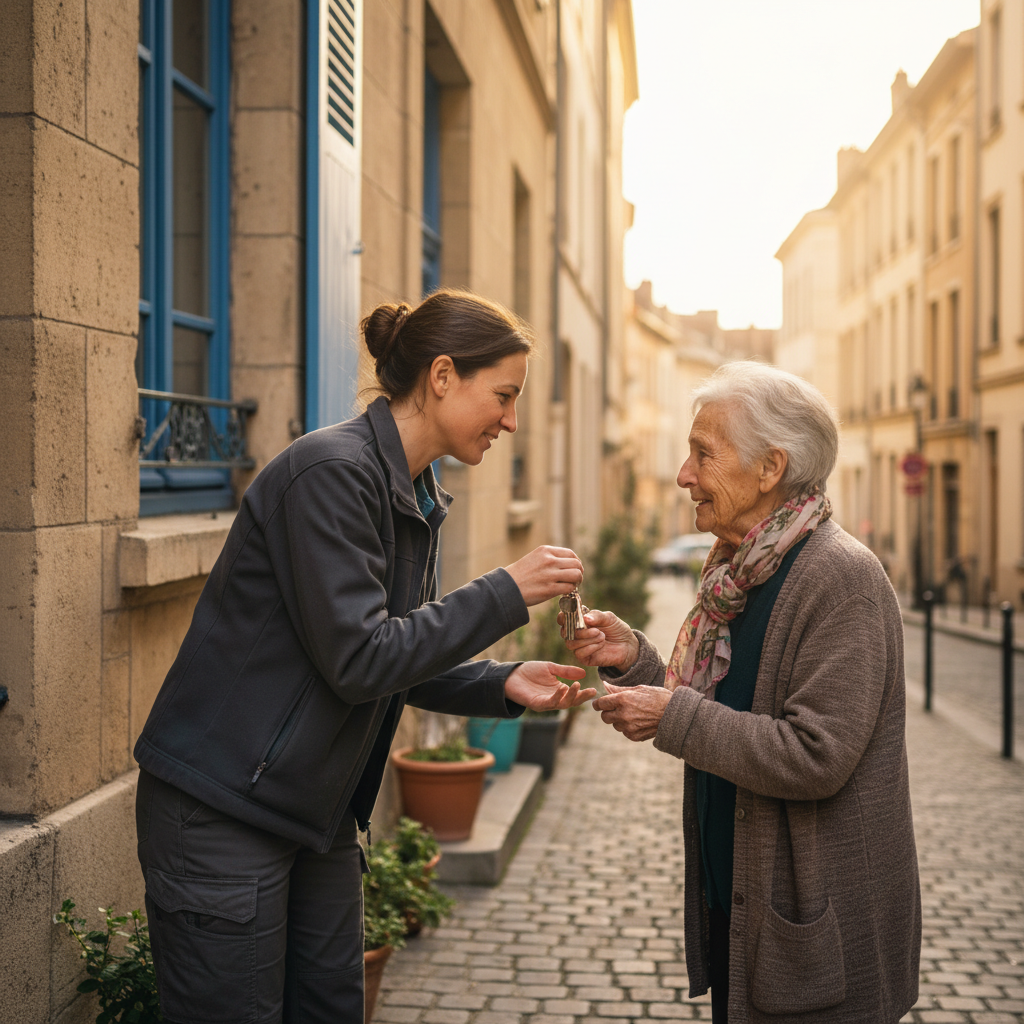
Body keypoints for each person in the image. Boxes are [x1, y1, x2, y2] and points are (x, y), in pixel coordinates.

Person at [134, 288, 596, 1024]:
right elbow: (361, 658)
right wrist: (505, 591)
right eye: (504, 396)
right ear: (442, 376)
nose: (511, 420)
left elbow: (396, 653)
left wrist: (504, 683)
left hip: (310, 818)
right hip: (223, 810)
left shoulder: (414, 492)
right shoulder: (330, 473)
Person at [567, 362, 921, 1023]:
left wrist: (669, 715)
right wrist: (638, 662)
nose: (683, 474)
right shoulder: (742, 569)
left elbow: (816, 754)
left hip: (815, 936)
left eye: (704, 453)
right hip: (744, 912)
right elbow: (723, 706)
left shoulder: (840, 579)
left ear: (770, 469)